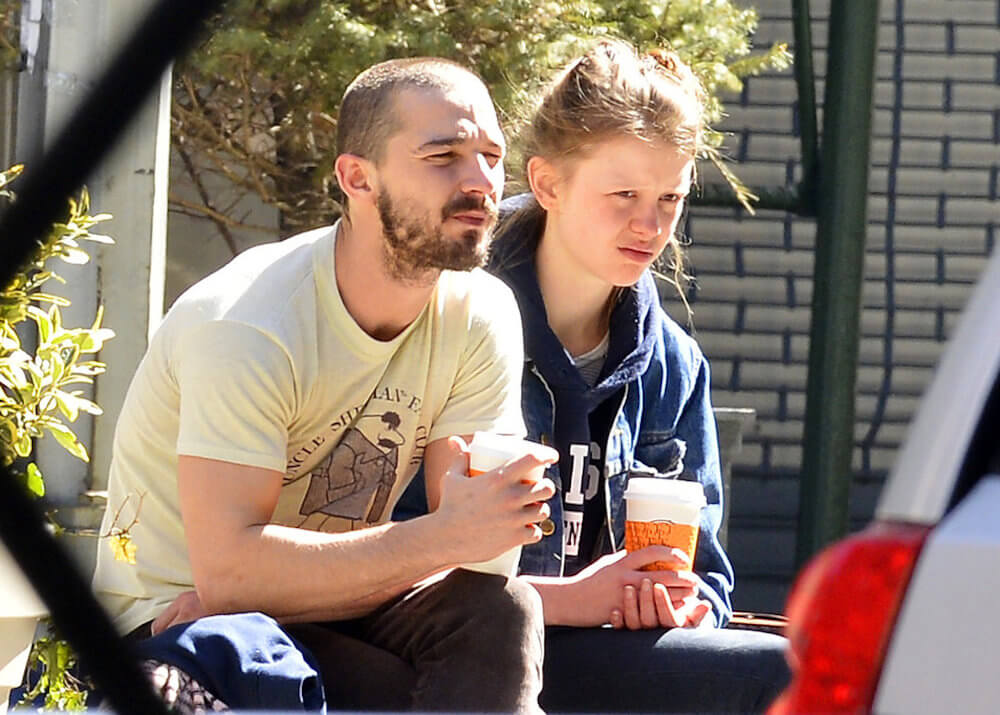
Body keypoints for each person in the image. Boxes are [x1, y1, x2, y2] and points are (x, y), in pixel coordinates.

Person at [91, 56, 559, 713]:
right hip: (182, 626)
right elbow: (226, 573)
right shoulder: (251, 322)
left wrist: (478, 526)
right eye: (443, 155)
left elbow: (480, 553)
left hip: (328, 601)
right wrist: (445, 536)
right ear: (356, 177)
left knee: (500, 609)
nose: (479, 180)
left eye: (490, 154)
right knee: (384, 688)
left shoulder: (481, 312)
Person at [395, 40, 790, 712]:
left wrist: (680, 606)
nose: (651, 223)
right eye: (625, 194)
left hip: (601, 652)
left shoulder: (673, 362)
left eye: (671, 197)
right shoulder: (452, 318)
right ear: (547, 184)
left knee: (788, 667)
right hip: (464, 653)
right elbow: (395, 564)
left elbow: (710, 576)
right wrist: (575, 599)